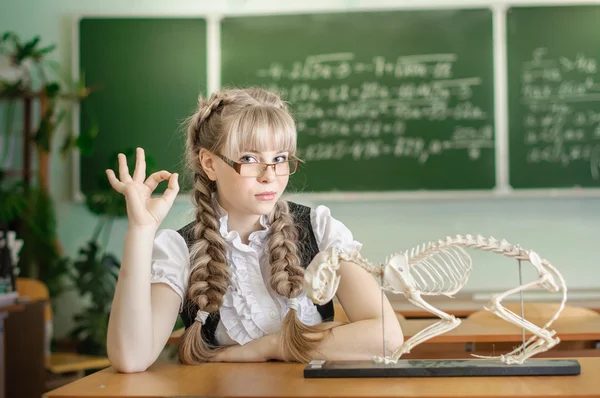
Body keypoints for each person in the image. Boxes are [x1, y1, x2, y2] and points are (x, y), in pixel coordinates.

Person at [105, 87, 403, 373]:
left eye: (279, 159)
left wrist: (270, 347)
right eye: (249, 159)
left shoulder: (319, 229)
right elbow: (131, 358)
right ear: (209, 163)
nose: (269, 176)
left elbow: (387, 336)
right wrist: (141, 232)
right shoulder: (181, 249)